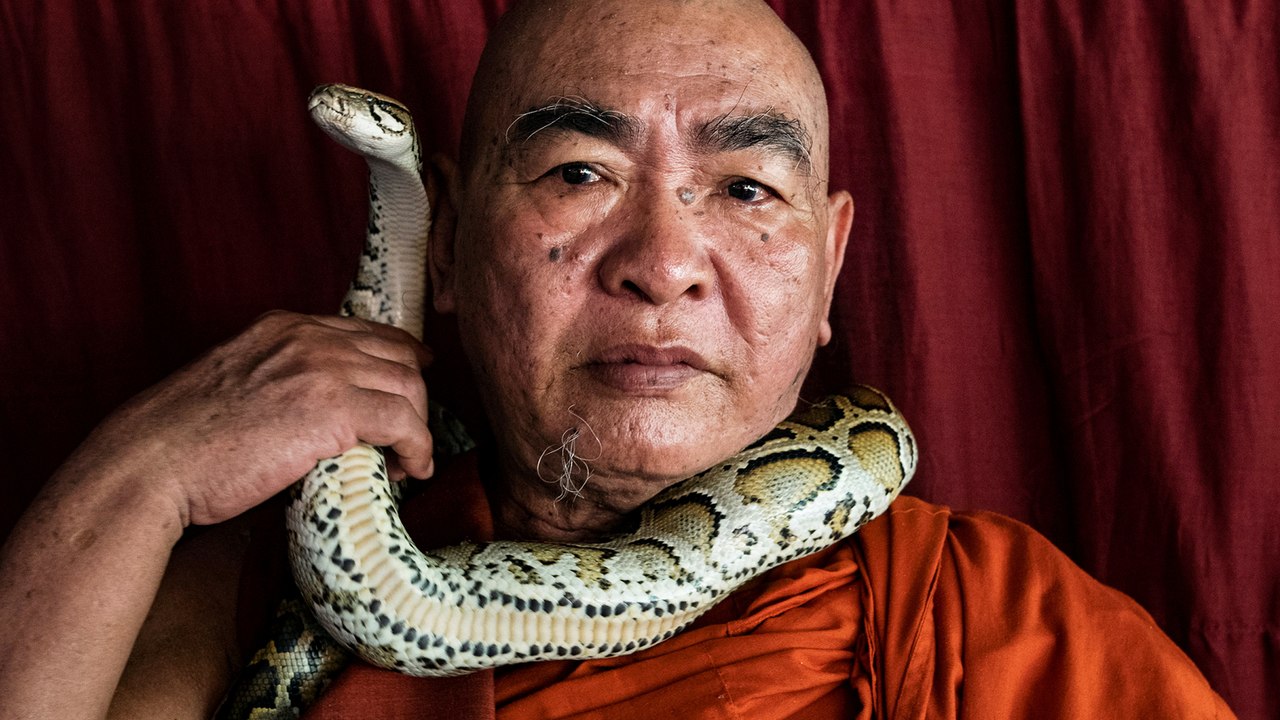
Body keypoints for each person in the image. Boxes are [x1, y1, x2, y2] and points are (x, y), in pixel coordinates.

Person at [0, 0, 1233, 718]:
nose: (661, 260)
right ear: (450, 239)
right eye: (578, 173)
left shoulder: (993, 618)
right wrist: (145, 469)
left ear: (829, 272)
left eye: (745, 187)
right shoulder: (255, 574)